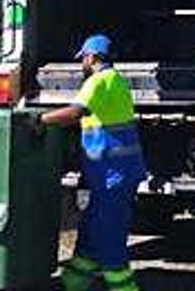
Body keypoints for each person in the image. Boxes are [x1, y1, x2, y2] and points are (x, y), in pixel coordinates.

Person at [40, 34, 146, 291]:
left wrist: (39, 120)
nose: (82, 64)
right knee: (90, 234)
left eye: (83, 58)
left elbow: (76, 112)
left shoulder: (99, 81)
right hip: (113, 175)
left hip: (112, 176)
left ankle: (124, 288)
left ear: (92, 56)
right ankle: (73, 284)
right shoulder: (116, 80)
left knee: (108, 239)